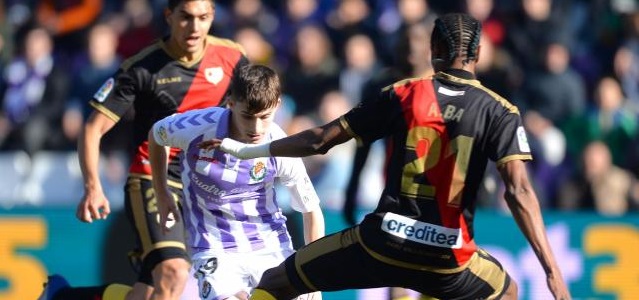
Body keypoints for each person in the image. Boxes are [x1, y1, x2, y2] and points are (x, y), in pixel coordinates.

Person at [205, 13, 571, 300]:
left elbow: (320, 140)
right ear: (477, 54)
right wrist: (552, 270)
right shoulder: (500, 110)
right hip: (448, 258)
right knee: (507, 292)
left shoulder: (403, 93)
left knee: (276, 282)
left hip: (383, 244)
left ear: (433, 50)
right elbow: (519, 193)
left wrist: (245, 148)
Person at [39, 0, 248, 299]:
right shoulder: (141, 67)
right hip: (152, 178)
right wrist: (92, 187)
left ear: (212, 16)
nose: (194, 27)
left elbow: (257, 110)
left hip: (203, 185)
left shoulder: (233, 57)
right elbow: (92, 128)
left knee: (154, 292)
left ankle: (62, 296)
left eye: (203, 18)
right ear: (169, 16)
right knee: (174, 273)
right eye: (186, 17)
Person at [148, 64, 324, 300]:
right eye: (248, 117)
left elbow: (311, 209)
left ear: (277, 106)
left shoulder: (279, 145)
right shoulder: (196, 127)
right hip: (214, 247)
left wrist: (313, 273)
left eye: (265, 117)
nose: (256, 128)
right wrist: (162, 192)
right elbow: (156, 135)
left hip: (271, 246)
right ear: (230, 103)